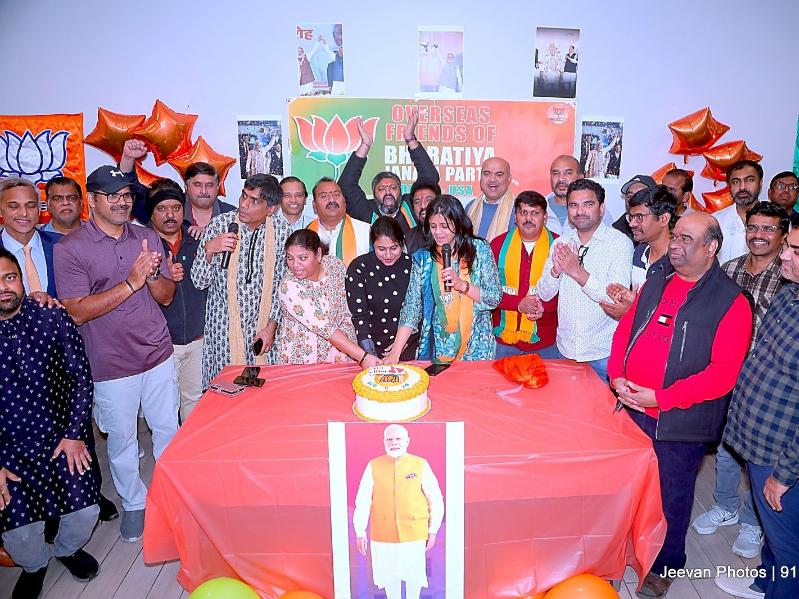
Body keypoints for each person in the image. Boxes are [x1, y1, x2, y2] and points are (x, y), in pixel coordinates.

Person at [609, 212, 752, 599]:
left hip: (679, 420)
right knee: (628, 489)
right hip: (631, 408)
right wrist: (617, 374)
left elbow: (722, 375)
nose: (674, 244)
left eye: (686, 239)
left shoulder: (731, 302)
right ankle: (623, 550)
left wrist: (661, 398)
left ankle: (665, 565)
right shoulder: (657, 279)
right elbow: (627, 328)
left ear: (711, 248)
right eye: (674, 236)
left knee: (670, 497)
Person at [54, 165, 179, 543]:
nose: (122, 202)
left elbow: (166, 297)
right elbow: (76, 311)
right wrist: (131, 282)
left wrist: (152, 275)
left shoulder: (146, 237)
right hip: (111, 365)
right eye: (113, 196)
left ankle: (172, 496)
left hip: (158, 353)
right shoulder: (70, 248)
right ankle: (134, 503)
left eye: (126, 195)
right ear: (92, 201)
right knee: (123, 442)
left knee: (168, 431)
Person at [0, 249, 101, 599]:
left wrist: (75, 435)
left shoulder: (50, 316)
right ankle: (35, 565)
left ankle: (67, 550)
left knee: (86, 510)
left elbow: (80, 377)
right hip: (8, 452)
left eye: (9, 278)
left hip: (61, 437)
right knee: (18, 534)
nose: (4, 287)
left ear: (22, 279)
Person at [692, 202, 789, 560]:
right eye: (753, 227)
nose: (759, 235)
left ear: (783, 235)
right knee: (727, 445)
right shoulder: (729, 269)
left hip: (768, 384)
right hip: (727, 374)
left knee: (760, 457)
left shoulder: (789, 277)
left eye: (768, 229)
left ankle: (753, 520)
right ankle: (725, 505)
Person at [715, 219, 799, 599]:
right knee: (773, 532)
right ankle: (766, 581)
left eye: (795, 251)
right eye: (787, 246)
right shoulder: (788, 292)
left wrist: (785, 474)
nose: (784, 256)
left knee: (788, 546)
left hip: (781, 453)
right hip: (756, 436)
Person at [191, 174, 291, 389]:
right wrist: (209, 250)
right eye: (244, 196)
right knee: (225, 395)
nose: (244, 205)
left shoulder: (282, 232)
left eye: (254, 201)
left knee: (263, 397)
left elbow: (283, 287)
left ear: (271, 209)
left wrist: (272, 327)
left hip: (263, 335)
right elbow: (199, 282)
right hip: (224, 334)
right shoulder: (220, 225)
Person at [385, 195, 502, 364]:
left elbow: (494, 298)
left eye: (444, 226)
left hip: (478, 347)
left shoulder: (480, 250)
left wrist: (462, 285)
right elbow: (411, 308)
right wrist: (396, 352)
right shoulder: (424, 259)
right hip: (441, 349)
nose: (438, 232)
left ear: (458, 223)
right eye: (433, 226)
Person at [537, 179, 633, 381]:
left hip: (602, 353)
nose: (580, 211)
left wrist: (577, 272)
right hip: (565, 349)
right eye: (573, 205)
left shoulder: (619, 243)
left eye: (588, 204)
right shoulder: (561, 243)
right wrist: (555, 272)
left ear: (601, 208)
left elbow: (616, 298)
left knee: (602, 403)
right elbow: (544, 294)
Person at [353, 424, 444, 599]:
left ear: (407, 441)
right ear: (384, 442)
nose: (394, 442)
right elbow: (363, 501)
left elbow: (435, 499)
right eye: (389, 439)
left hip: (415, 532)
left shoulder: (420, 464)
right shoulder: (373, 466)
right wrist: (360, 532)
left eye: (398, 438)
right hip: (383, 533)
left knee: (414, 576)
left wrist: (433, 529)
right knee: (389, 577)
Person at [275, 229, 379, 367]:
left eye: (302, 258)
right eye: (290, 258)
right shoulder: (289, 286)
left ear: (318, 254)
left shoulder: (334, 265)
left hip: (343, 355)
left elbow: (348, 310)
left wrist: (358, 349)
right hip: (302, 362)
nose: (295, 265)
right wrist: (363, 357)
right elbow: (325, 328)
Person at [147, 186, 208, 422]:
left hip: (197, 340)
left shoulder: (197, 240)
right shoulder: (142, 245)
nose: (170, 215)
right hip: (161, 344)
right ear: (151, 213)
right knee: (164, 409)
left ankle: (191, 446)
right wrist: (161, 276)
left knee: (194, 402)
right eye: (161, 209)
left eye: (176, 208)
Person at [339, 106, 439, 231]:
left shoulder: (411, 205)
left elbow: (430, 177)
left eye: (393, 188)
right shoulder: (366, 211)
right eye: (381, 189)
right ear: (374, 195)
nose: (388, 192)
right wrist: (365, 144)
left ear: (400, 192)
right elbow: (346, 186)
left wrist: (410, 138)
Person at [490, 191, 559, 359]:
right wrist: (518, 304)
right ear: (515, 217)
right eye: (523, 212)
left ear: (545, 217)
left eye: (535, 213)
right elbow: (488, 292)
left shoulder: (559, 246)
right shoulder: (497, 245)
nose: (528, 218)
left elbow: (569, 293)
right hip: (503, 339)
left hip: (545, 340)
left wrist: (543, 306)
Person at [119, 140, 236, 237]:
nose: (204, 191)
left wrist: (210, 236)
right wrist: (128, 159)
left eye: (209, 185)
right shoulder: (169, 206)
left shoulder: (232, 215)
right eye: (198, 185)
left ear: (218, 187)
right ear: (186, 187)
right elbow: (132, 192)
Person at [600, 185, 678, 321]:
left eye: (639, 217)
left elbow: (674, 317)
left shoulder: (679, 262)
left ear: (663, 219)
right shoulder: (638, 253)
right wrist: (632, 301)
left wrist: (633, 311)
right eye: (631, 217)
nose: (632, 224)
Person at [346, 217, 419, 361]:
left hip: (408, 346)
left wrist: (402, 344)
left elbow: (418, 311)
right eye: (381, 249)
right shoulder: (359, 268)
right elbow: (359, 316)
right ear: (372, 244)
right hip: (368, 348)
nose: (388, 255)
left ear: (402, 243)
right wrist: (368, 353)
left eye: (394, 248)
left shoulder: (413, 265)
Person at [0, 177, 58, 298]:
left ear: (39, 209)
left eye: (31, 206)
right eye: (14, 206)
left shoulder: (63, 244)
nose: (24, 213)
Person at [308, 177, 370, 266]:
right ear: (314, 206)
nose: (332, 200)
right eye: (324, 196)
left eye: (336, 195)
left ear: (344, 201)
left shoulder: (366, 232)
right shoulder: (305, 236)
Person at [545, 155, 613, 235]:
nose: (561, 179)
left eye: (568, 173)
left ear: (580, 177)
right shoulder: (538, 210)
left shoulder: (597, 211)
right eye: (556, 173)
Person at [714, 160, 764, 264]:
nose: (742, 187)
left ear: (760, 183)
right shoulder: (715, 221)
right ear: (729, 186)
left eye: (749, 180)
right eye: (736, 182)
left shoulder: (777, 220)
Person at [466, 157, 516, 241]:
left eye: (499, 175)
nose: (492, 179)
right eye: (487, 174)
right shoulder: (470, 207)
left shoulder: (518, 210)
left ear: (509, 179)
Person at [614, 174, 657, 244]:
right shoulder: (617, 230)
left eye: (640, 195)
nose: (633, 200)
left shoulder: (669, 230)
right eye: (630, 196)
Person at [404, 180, 441, 255]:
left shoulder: (451, 234)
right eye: (417, 202)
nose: (423, 206)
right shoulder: (407, 239)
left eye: (428, 200)